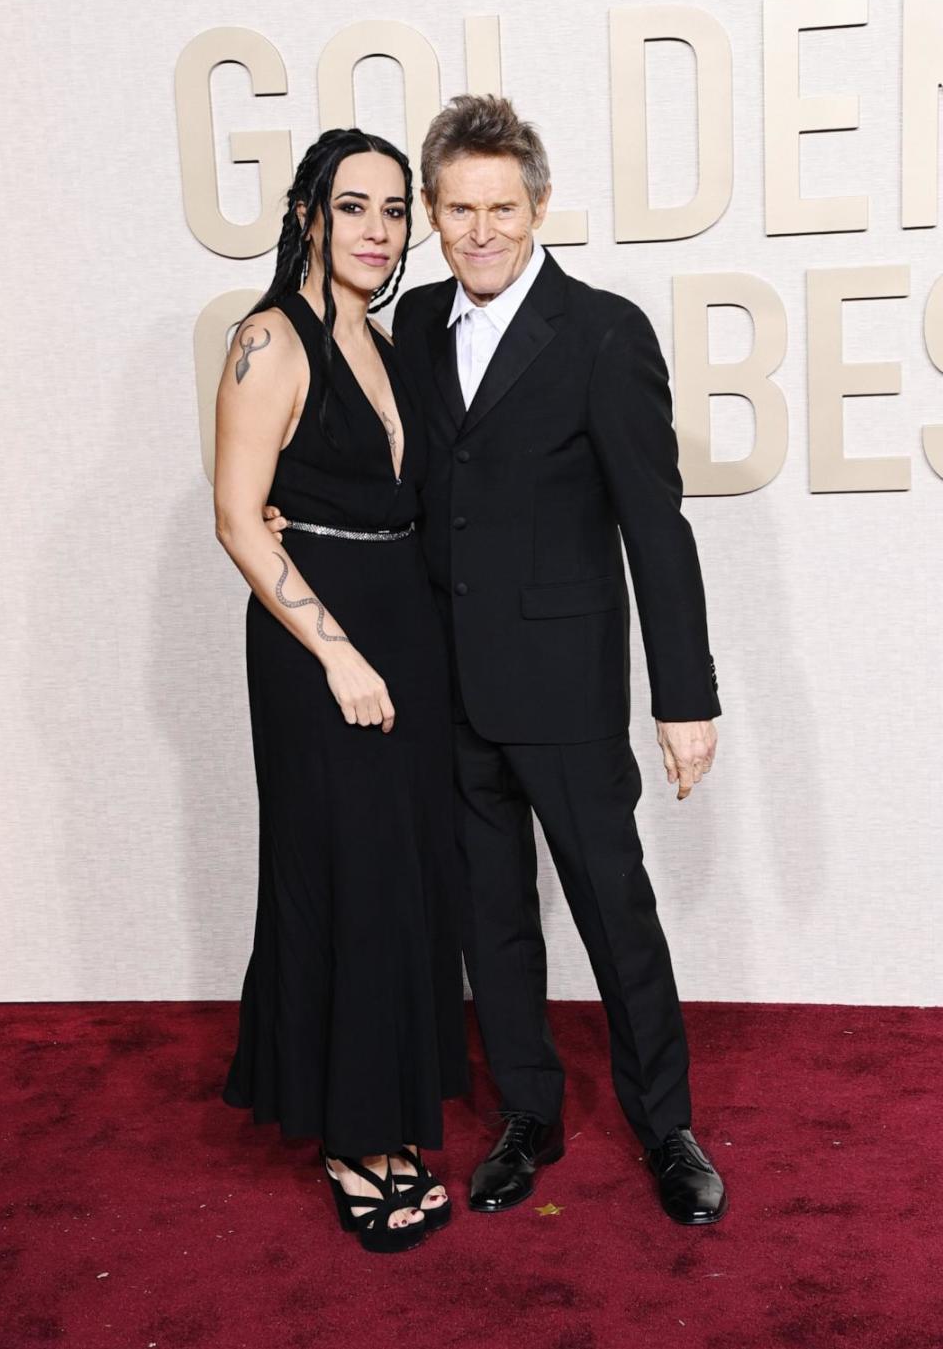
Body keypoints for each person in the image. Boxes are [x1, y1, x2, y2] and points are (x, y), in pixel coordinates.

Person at [265, 96, 727, 1227]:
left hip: (565, 689)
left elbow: (654, 523)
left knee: (614, 909)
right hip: (442, 686)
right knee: (490, 915)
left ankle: (666, 1127)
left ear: (539, 207)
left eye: (501, 208)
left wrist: (684, 698)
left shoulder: (604, 332)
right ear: (434, 211)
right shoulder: (411, 326)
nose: (480, 230)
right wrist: (288, 513)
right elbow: (368, 458)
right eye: (458, 208)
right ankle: (529, 1111)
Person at [214, 127, 467, 1254]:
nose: (377, 231)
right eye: (354, 207)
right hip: (321, 647)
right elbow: (236, 515)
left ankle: (396, 1115)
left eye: (393, 211)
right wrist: (338, 651)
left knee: (406, 877)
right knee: (344, 876)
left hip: (407, 629)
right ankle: (349, 1138)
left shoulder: (393, 336)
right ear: (310, 213)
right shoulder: (270, 338)